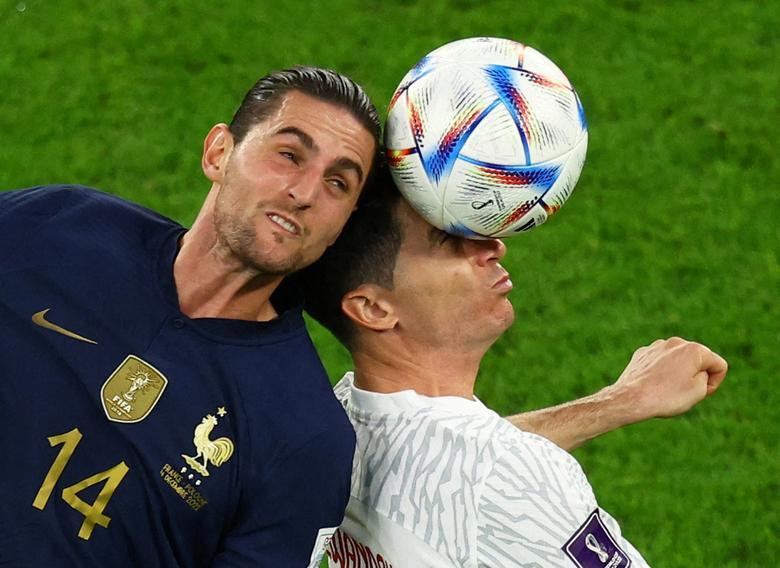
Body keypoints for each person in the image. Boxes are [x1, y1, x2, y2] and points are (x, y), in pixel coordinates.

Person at [0, 66, 381, 567]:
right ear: (219, 153)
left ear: (343, 224)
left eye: (337, 183)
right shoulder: (55, 227)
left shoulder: (304, 440)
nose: (305, 193)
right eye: (289, 155)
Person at [298, 172, 728, 567]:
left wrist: (619, 402)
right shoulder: (508, 477)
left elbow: (459, 461)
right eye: (449, 240)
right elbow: (493, 472)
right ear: (373, 308)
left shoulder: (345, 418)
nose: (492, 246)